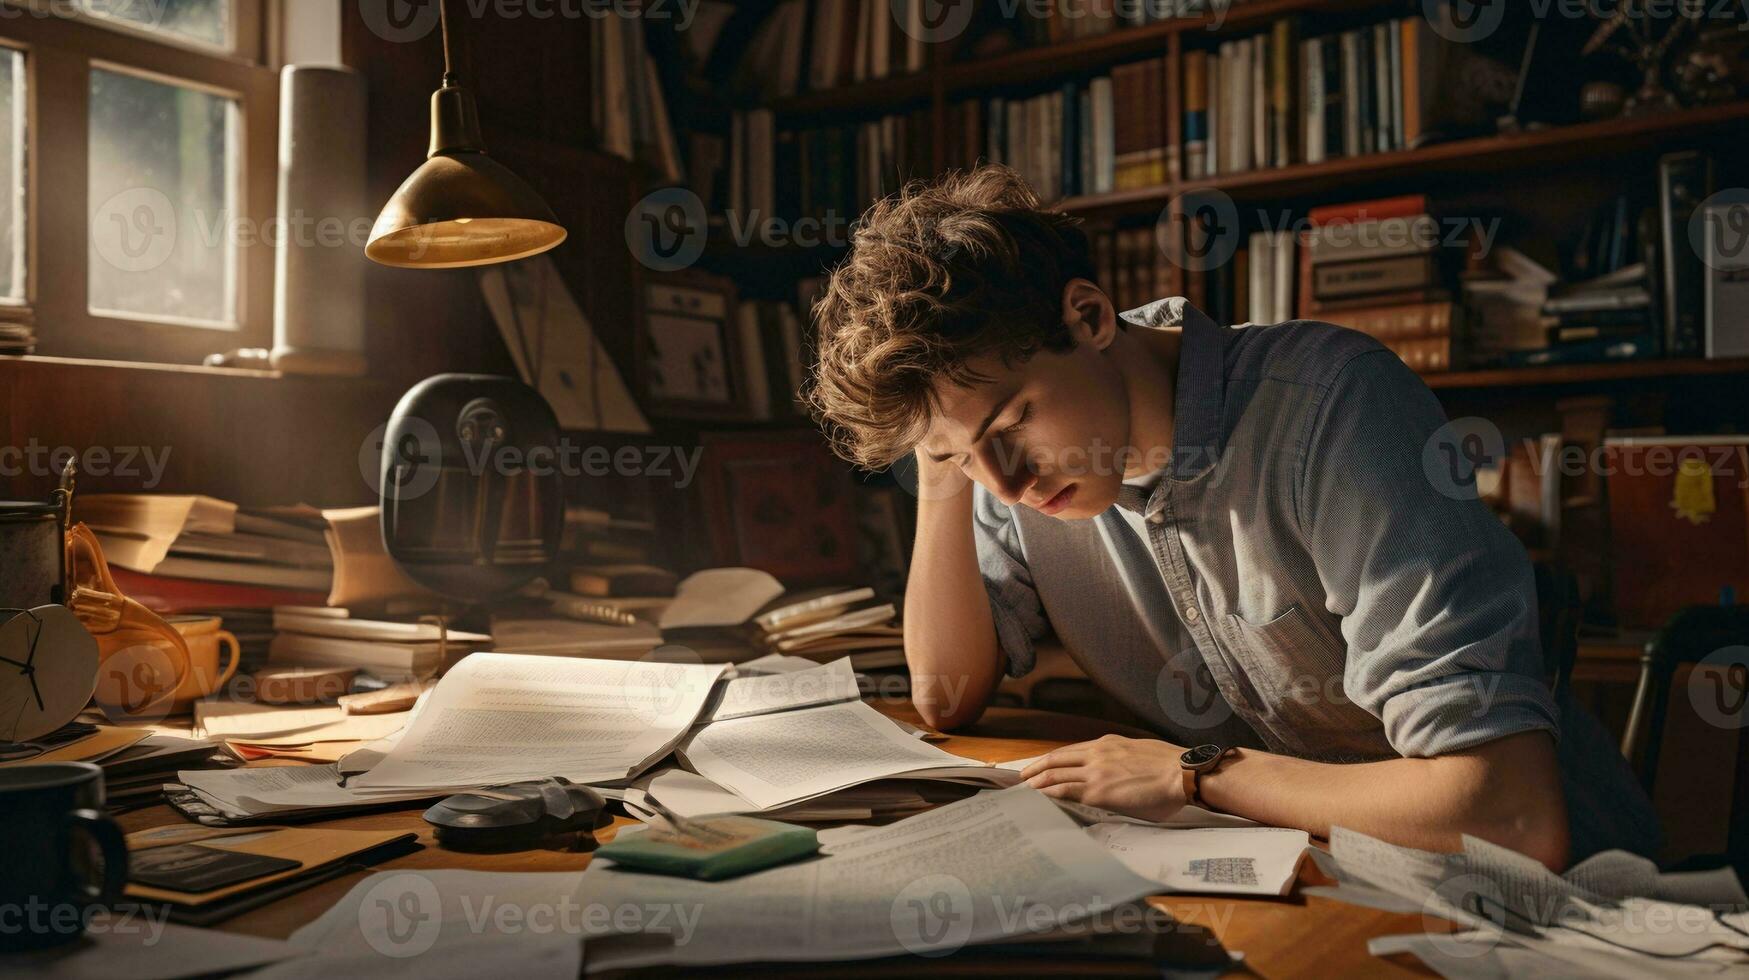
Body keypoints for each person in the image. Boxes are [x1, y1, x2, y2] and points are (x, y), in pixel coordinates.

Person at [803, 166, 1658, 868]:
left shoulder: (1333, 409)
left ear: (1090, 317)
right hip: (1316, 871)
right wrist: (939, 449)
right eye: (962, 456)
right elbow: (946, 693)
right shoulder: (1020, 468)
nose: (1008, 483)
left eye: (1011, 421)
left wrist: (1195, 776)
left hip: (1558, 906)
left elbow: (1508, 815)